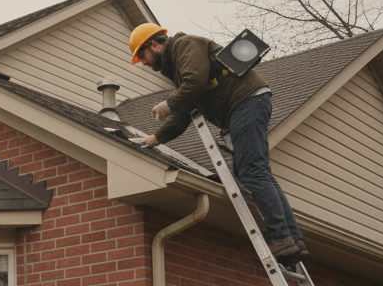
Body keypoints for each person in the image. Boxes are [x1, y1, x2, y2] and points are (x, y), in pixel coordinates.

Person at [128, 23, 307, 263]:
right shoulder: (177, 67)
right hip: (247, 104)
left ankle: (282, 238)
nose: (145, 63)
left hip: (245, 102)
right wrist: (155, 138)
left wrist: (169, 103)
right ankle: (291, 239)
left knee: (251, 171)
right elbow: (184, 112)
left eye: (142, 56)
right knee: (257, 172)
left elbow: (195, 81)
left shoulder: (184, 45)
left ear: (154, 44)